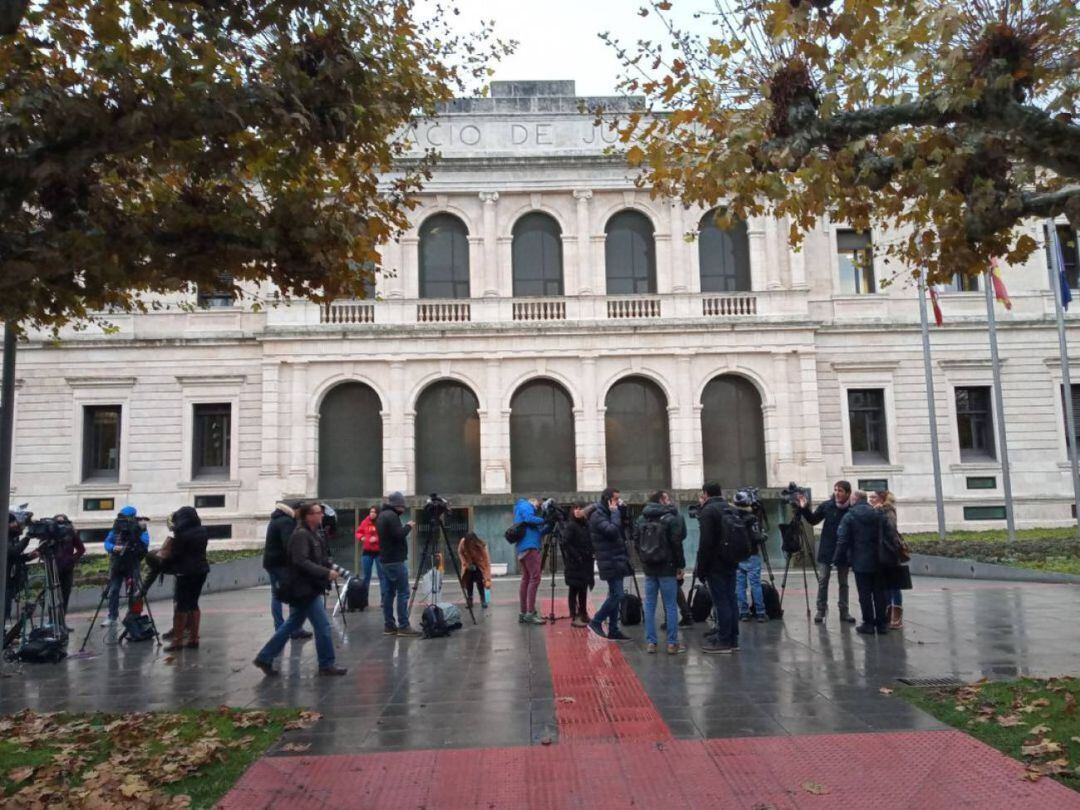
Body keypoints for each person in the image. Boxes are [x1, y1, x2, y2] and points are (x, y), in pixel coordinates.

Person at [253, 502, 346, 676]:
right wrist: (326, 573)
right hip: (304, 588)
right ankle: (326, 664)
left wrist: (339, 571)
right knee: (323, 626)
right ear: (309, 516)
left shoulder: (313, 534)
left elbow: (320, 558)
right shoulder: (301, 535)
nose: (322, 516)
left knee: (292, 624)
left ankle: (265, 657)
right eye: (318, 513)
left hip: (307, 586)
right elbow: (301, 561)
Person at [796, 480, 856, 625]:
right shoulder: (827, 506)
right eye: (835, 490)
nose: (837, 493)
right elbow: (813, 520)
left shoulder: (852, 509)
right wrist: (804, 508)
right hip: (827, 549)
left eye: (840, 490)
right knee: (823, 580)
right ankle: (821, 610)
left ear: (848, 493)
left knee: (844, 582)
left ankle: (844, 611)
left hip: (844, 550)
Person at [637, 490, 687, 655]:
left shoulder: (642, 518)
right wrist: (680, 565)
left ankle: (651, 643)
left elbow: (636, 542)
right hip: (667, 567)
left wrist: (644, 560)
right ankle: (672, 644)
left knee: (649, 605)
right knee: (671, 605)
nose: (669, 500)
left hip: (649, 568)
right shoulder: (671, 518)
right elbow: (677, 543)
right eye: (666, 498)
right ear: (660, 500)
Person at [834, 491, 888, 635]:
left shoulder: (849, 516)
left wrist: (838, 558)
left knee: (864, 593)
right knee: (879, 593)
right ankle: (882, 624)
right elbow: (888, 533)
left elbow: (842, 540)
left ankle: (868, 624)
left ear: (855, 499)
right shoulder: (878, 514)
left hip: (859, 560)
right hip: (879, 559)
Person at [696, 482, 739, 654]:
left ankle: (723, 640)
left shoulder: (708, 511)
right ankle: (733, 637)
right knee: (731, 600)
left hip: (715, 563)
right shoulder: (730, 508)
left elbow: (706, 543)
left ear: (705, 493)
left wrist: (702, 567)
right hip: (731, 561)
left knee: (721, 602)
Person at [163, 506, 210, 652]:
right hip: (201, 570)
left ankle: (177, 641)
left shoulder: (182, 533)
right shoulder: (203, 531)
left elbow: (176, 554)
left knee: (181, 606)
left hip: (185, 572)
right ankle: (194, 638)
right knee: (193, 603)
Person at [587, 488, 632, 642]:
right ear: (607, 500)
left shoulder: (609, 513)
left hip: (616, 558)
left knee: (614, 594)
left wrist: (622, 512)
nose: (618, 502)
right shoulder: (598, 515)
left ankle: (613, 629)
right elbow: (612, 531)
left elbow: (622, 528)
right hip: (610, 560)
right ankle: (596, 621)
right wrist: (615, 513)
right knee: (618, 594)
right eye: (615, 499)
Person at [263, 501, 312, 641]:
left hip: (273, 562)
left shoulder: (278, 518)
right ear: (294, 510)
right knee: (290, 593)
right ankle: (290, 628)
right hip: (279, 563)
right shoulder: (286, 522)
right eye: (301, 512)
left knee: (277, 594)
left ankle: (285, 628)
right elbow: (289, 544)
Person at [376, 491, 419, 636]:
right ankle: (404, 625)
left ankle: (389, 625)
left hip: (385, 560)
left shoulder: (382, 515)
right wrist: (408, 526)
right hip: (395, 560)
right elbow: (398, 534)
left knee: (389, 593)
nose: (404, 508)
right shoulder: (392, 516)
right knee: (403, 592)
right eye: (403, 505)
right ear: (398, 505)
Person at [102, 506, 150, 626]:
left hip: (133, 563)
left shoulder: (139, 527)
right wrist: (113, 547)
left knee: (133, 590)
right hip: (117, 562)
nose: (124, 521)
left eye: (126, 517)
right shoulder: (116, 527)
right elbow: (107, 542)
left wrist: (140, 531)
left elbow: (145, 544)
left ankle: (133, 615)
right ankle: (112, 616)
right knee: (113, 590)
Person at [871, 490, 906, 629]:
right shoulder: (877, 511)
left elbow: (890, 532)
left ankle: (897, 617)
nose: (870, 499)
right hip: (881, 554)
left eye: (873, 497)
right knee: (885, 586)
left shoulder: (887, 512)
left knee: (894, 586)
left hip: (890, 554)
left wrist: (890, 551)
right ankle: (887, 614)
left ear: (881, 499)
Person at [513, 496, 548, 625]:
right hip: (530, 547)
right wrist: (545, 519)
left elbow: (538, 532)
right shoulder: (525, 505)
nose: (537, 507)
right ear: (533, 501)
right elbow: (529, 519)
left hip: (524, 547)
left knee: (526, 579)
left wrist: (549, 524)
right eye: (537, 505)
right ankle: (530, 612)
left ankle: (523, 612)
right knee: (535, 578)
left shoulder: (521, 511)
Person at [733, 492, 767, 623]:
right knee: (755, 584)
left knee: (740, 586)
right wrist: (763, 536)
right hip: (752, 554)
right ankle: (760, 612)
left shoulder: (732, 518)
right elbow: (756, 536)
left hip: (737, 556)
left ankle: (743, 612)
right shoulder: (751, 518)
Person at [561, 501, 595, 628]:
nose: (577, 510)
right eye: (575, 508)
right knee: (574, 588)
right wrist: (577, 556)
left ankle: (583, 613)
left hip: (586, 562)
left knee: (583, 589)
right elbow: (566, 543)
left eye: (580, 508)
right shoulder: (571, 525)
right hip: (574, 563)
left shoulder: (586, 525)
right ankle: (574, 615)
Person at [51, 515, 84, 620]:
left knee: (65, 596)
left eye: (62, 522)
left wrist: (72, 559)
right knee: (53, 596)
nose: (61, 525)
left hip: (67, 569)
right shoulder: (50, 534)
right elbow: (42, 549)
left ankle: (61, 622)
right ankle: (52, 622)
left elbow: (81, 549)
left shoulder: (71, 533)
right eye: (58, 522)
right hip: (53, 568)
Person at [457, 531, 492, 609]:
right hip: (468, 565)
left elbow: (487, 562)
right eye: (468, 542)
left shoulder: (481, 546)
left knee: (480, 581)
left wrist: (488, 578)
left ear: (475, 541)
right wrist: (464, 563)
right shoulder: (463, 543)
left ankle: (483, 599)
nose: (470, 544)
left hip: (479, 565)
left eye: (472, 542)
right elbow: (460, 552)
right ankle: (470, 600)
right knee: (468, 582)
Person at [355, 505, 380, 608]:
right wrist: (362, 538)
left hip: (379, 552)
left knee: (382, 576)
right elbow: (358, 532)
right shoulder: (365, 521)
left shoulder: (381, 522)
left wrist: (377, 539)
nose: (372, 514)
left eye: (374, 512)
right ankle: (364, 600)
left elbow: (385, 534)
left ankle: (384, 600)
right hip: (367, 551)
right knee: (366, 577)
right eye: (371, 512)